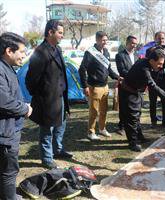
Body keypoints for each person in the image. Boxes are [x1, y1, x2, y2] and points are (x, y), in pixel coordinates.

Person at [26, 20, 73, 169]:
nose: (62, 36)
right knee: (47, 129)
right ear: (50, 32)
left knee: (61, 124)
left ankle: (57, 149)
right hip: (48, 99)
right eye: (60, 33)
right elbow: (30, 79)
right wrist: (42, 95)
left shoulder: (57, 49)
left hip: (60, 97)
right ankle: (47, 158)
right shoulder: (40, 52)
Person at [119, 48, 165, 152]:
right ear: (152, 60)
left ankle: (139, 136)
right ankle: (132, 142)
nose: (161, 66)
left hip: (136, 92)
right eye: (159, 64)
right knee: (132, 118)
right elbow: (152, 85)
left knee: (137, 115)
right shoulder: (143, 68)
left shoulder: (148, 64)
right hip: (128, 92)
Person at [0, 32, 33, 200]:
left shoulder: (8, 68)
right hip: (5, 133)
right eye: (21, 51)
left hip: (9, 129)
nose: (24, 55)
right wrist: (24, 109)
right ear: (8, 51)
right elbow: (3, 102)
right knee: (9, 170)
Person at [79, 31, 120, 141]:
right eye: (103, 40)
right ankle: (91, 132)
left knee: (104, 110)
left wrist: (117, 77)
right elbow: (82, 69)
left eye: (106, 40)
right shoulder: (90, 52)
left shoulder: (106, 51)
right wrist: (85, 86)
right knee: (94, 111)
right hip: (94, 87)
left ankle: (102, 128)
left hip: (105, 86)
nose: (105, 42)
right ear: (97, 40)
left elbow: (109, 69)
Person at [146, 31, 165, 128]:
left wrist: (164, 55)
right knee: (153, 102)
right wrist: (154, 51)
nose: (161, 40)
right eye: (159, 38)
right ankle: (153, 122)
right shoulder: (150, 49)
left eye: (162, 38)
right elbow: (147, 61)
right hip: (153, 78)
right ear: (155, 39)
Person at [115, 35, 138, 135]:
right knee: (124, 106)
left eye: (135, 44)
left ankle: (132, 125)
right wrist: (133, 76)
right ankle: (121, 126)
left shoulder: (136, 55)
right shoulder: (120, 55)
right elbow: (122, 70)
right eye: (132, 43)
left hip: (135, 85)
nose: (134, 46)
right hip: (124, 84)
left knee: (133, 106)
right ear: (127, 43)